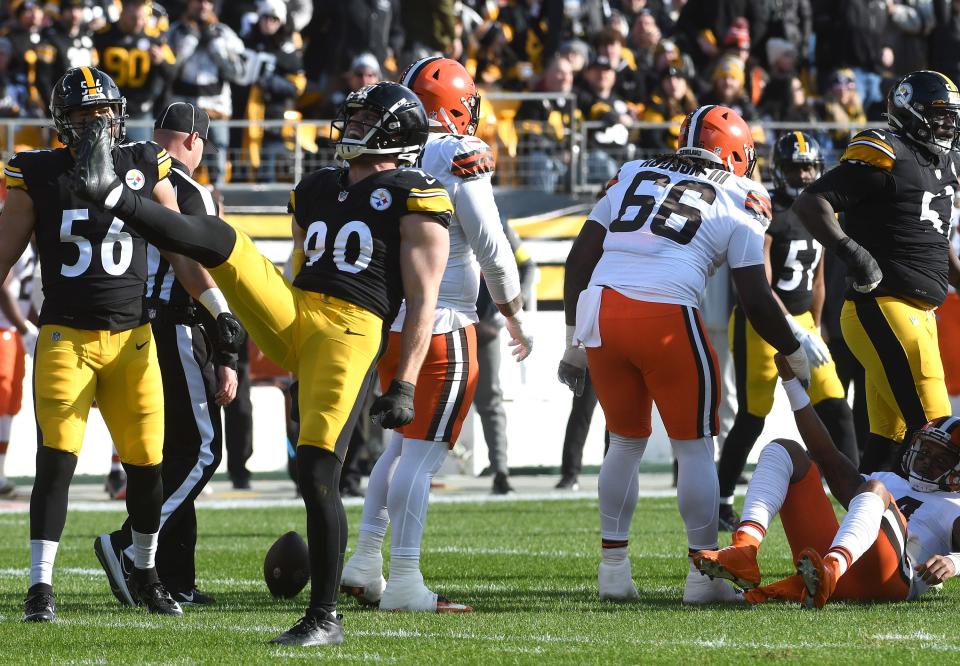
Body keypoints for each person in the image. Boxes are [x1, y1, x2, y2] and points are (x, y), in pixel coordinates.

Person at [68, 80, 452, 646]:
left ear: (394, 130)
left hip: (349, 331)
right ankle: (115, 196)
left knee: (317, 472)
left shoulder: (415, 192)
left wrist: (405, 381)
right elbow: (298, 262)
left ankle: (324, 619)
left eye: (364, 118)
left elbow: (422, 300)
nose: (348, 126)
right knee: (227, 243)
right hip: (298, 312)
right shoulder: (318, 187)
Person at [559, 104, 813, 604]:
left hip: (606, 314)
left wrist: (574, 341)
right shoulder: (743, 193)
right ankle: (702, 577)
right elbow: (755, 296)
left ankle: (613, 570)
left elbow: (578, 261)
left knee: (624, 443)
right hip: (667, 315)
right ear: (737, 153)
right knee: (694, 446)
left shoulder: (633, 172)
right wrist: (792, 347)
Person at [340, 57, 531, 614]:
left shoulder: (390, 146)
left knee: (398, 449)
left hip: (391, 323)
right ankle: (402, 580)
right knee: (421, 457)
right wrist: (514, 311)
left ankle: (364, 562)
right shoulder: (454, 154)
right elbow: (492, 246)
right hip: (443, 323)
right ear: (455, 104)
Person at [0, 66, 185, 622]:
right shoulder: (35, 172)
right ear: (63, 122)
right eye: (84, 114)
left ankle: (146, 570)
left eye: (103, 111)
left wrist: (218, 308)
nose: (97, 122)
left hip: (134, 338)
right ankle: (40, 587)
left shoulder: (144, 162)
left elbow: (178, 243)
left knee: (148, 464)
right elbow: (3, 256)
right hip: (65, 336)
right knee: (55, 461)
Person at [94, 102, 245, 609]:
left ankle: (174, 576)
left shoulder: (126, 171)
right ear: (194, 141)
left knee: (174, 452)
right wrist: (226, 345)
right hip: (176, 322)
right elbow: (200, 268)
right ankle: (128, 544)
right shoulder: (188, 189)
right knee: (201, 451)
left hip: (132, 322)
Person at [792, 70, 960, 473]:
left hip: (919, 312)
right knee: (940, 438)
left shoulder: (945, 162)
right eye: (940, 116)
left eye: (952, 116)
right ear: (910, 112)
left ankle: (862, 532)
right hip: (883, 304)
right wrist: (854, 254)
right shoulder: (887, 151)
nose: (948, 125)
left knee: (890, 443)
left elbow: (935, 243)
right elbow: (811, 203)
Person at [694, 354, 960, 609]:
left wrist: (953, 562)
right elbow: (827, 455)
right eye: (925, 451)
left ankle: (831, 568)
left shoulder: (953, 506)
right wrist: (791, 385)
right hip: (833, 575)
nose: (926, 461)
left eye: (940, 459)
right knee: (784, 450)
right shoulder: (890, 479)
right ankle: (745, 548)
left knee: (875, 490)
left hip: (891, 580)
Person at [717, 131, 859, 531]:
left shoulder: (820, 210)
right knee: (752, 416)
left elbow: (817, 280)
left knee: (837, 408)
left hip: (804, 324)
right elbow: (759, 284)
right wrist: (793, 330)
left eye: (809, 165)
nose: (803, 173)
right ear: (779, 170)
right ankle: (723, 499)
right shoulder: (765, 212)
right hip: (761, 324)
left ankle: (858, 496)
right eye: (796, 166)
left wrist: (816, 326)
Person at [94, 0, 177, 142]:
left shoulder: (154, 38)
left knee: (138, 160)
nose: (139, 23)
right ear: (122, 13)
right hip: (109, 111)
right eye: (134, 18)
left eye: (143, 19)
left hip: (140, 111)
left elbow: (173, 73)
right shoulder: (102, 35)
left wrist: (161, 61)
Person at [0, 244, 37, 496]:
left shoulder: (32, 248)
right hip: (4, 330)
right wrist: (24, 328)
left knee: (10, 404)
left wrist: (37, 324)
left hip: (13, 331)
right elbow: (2, 286)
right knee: (2, 399)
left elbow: (23, 297)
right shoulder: (16, 239)